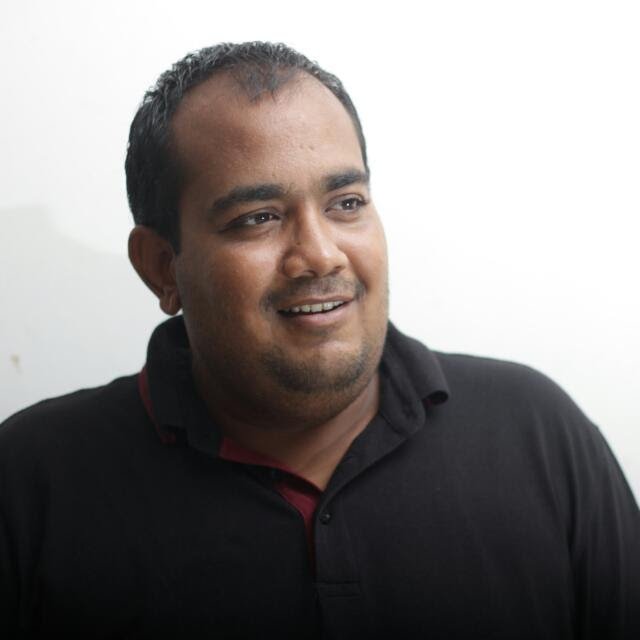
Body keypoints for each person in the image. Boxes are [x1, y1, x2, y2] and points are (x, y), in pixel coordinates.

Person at [0, 41, 638, 639]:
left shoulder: (537, 432)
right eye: (258, 218)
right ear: (163, 267)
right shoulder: (31, 483)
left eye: (346, 203)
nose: (321, 254)